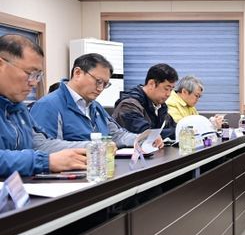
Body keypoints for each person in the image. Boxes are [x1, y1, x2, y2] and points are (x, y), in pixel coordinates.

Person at [30, 53, 162, 149]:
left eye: (105, 84)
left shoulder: (95, 106)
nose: (100, 88)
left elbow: (116, 135)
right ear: (77, 73)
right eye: (98, 81)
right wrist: (94, 147)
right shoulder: (48, 105)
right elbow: (45, 147)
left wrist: (142, 138)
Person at [0, 34, 87, 177]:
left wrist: (89, 148)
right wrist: (45, 161)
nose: (34, 83)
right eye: (30, 73)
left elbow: (40, 144)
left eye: (38, 76)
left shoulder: (18, 108)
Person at [112, 63, 178, 139]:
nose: (168, 94)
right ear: (151, 84)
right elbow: (146, 134)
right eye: (166, 89)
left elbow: (173, 127)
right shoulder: (129, 105)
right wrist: (177, 132)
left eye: (171, 90)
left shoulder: (160, 106)